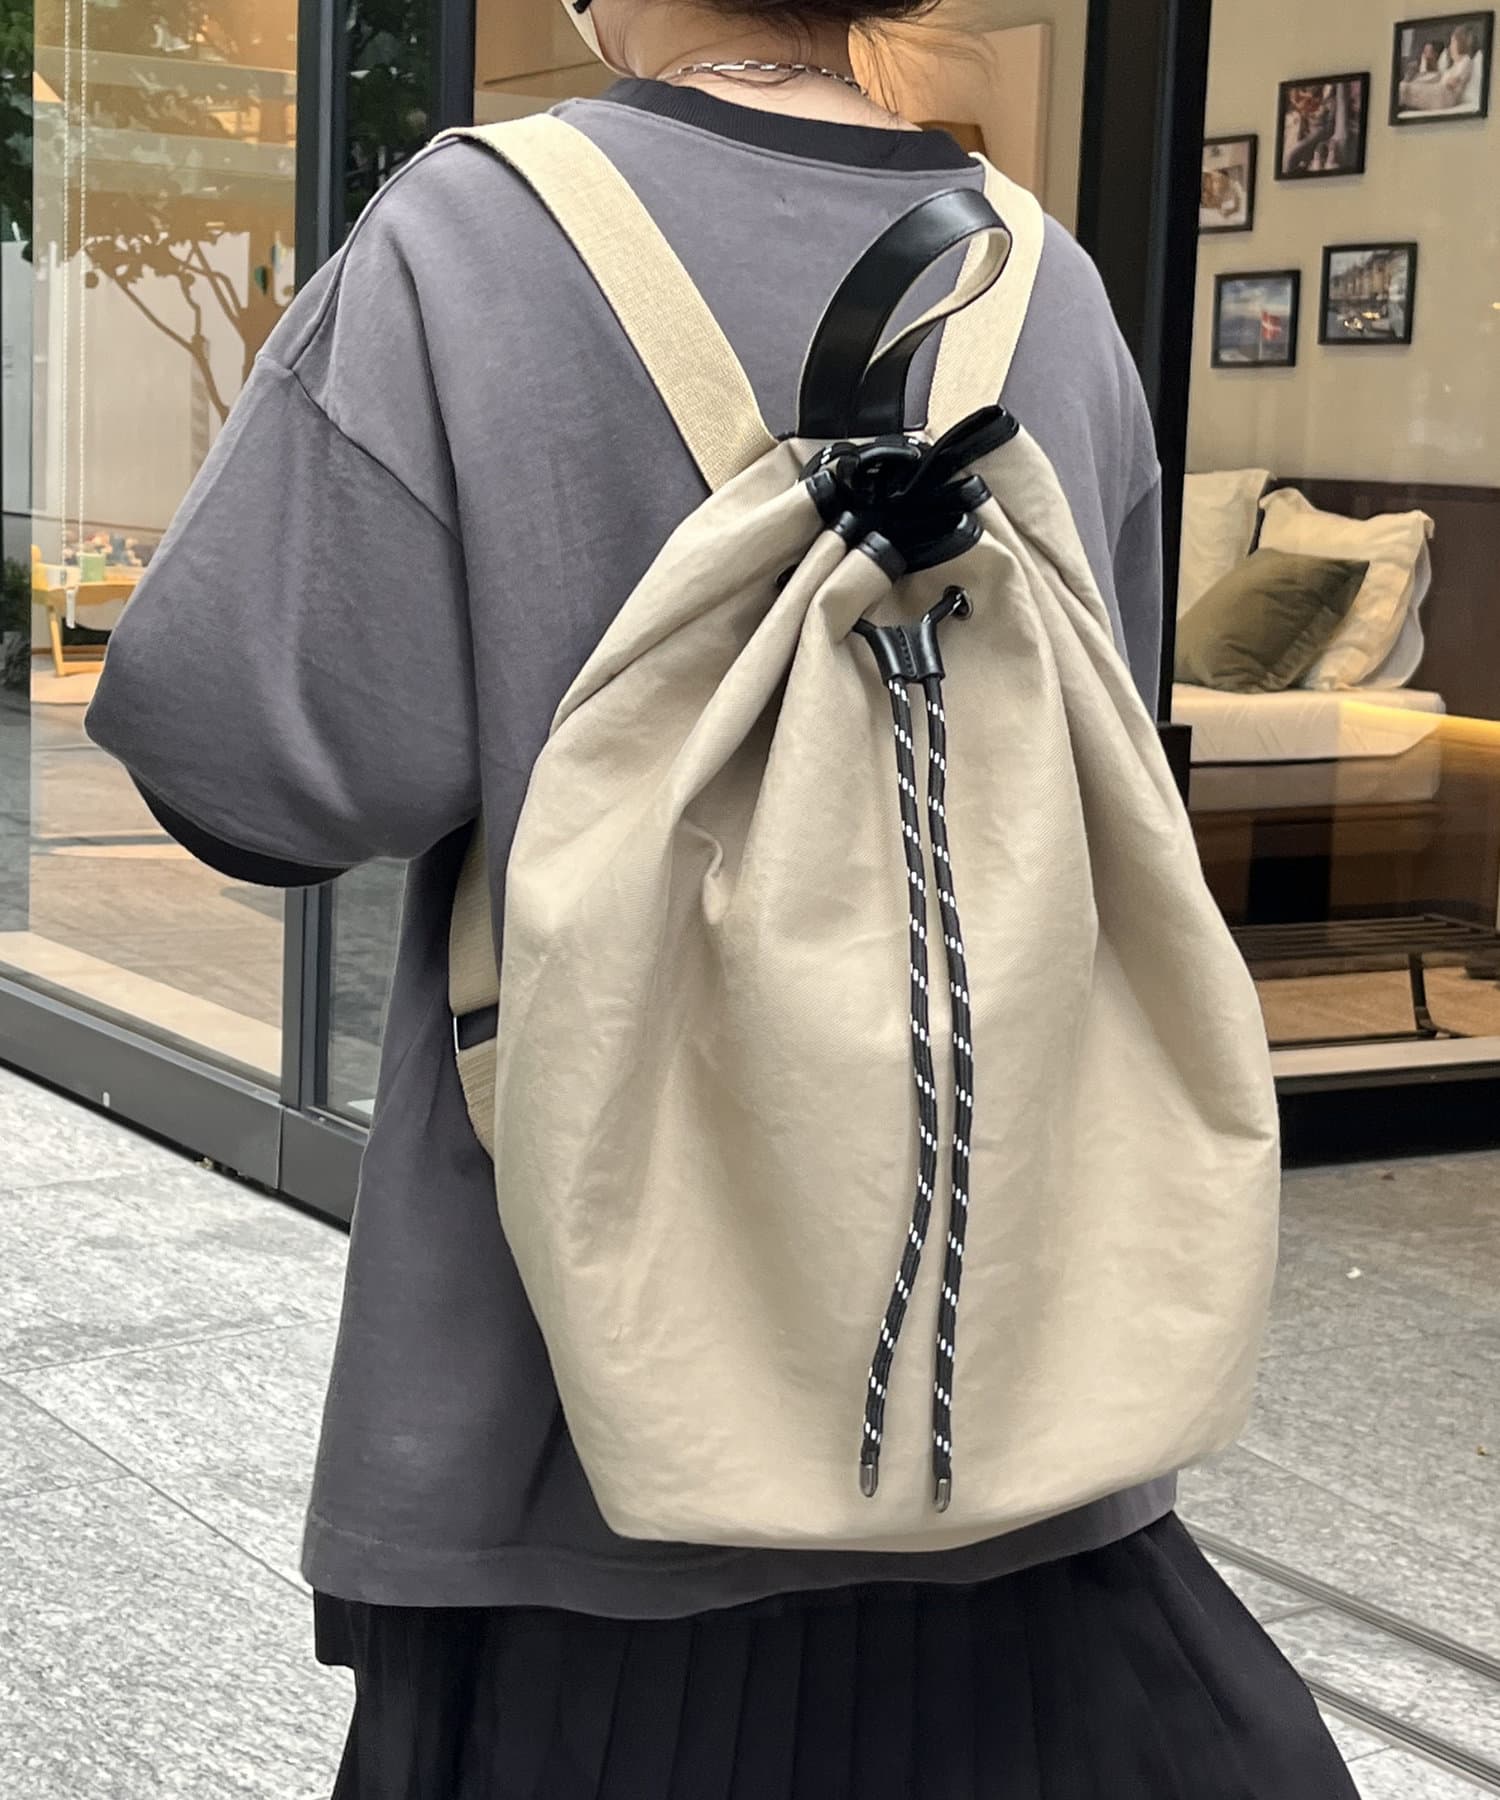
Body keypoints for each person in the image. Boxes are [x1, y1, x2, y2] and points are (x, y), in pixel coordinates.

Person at [86, 1, 1361, 1793]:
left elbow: (254, 771)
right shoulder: (1048, 281)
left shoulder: (475, 235)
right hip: (1015, 1396)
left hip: (571, 1437)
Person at [1401, 22, 1483, 111]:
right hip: (1441, 92)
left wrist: (1453, 80)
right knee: (1406, 88)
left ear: (1460, 43)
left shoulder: (1466, 60)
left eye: (1452, 42)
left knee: (1405, 89)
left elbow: (1457, 79)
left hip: (1444, 96)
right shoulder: (1456, 64)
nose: (1450, 47)